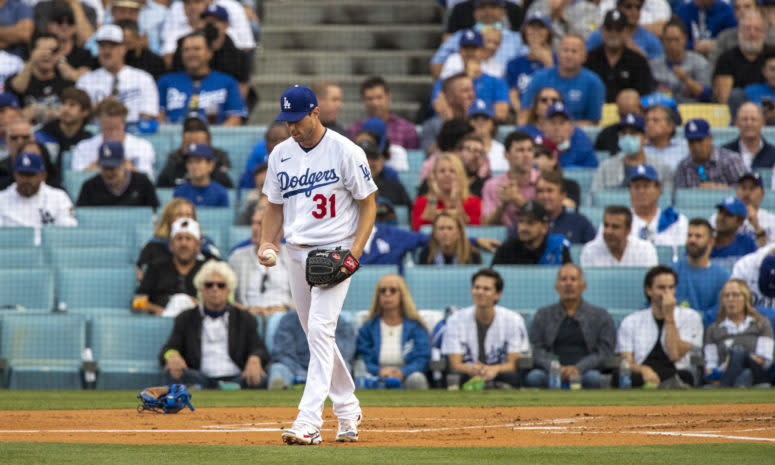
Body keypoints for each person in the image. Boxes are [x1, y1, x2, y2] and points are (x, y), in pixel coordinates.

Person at [258, 85, 377, 445]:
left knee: (322, 330)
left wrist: (355, 251)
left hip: (335, 251)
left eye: (297, 120)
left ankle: (308, 421)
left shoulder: (346, 150)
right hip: (295, 252)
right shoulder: (281, 153)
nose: (292, 127)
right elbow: (274, 205)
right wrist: (267, 241)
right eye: (287, 121)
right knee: (316, 335)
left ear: (315, 112)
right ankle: (347, 408)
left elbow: (369, 205)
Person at [158, 260, 270, 389]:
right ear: (201, 289)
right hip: (199, 377)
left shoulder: (244, 318)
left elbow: (260, 349)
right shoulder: (185, 318)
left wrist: (255, 359)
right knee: (173, 372)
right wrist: (172, 355)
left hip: (237, 377)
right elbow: (168, 349)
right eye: (209, 285)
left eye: (221, 285)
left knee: (259, 376)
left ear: (229, 290)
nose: (215, 289)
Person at [526, 264, 616, 389]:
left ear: (583, 286)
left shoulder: (600, 315)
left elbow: (604, 351)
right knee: (535, 377)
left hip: (586, 372)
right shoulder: (543, 315)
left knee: (593, 378)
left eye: (573, 279)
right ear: (557, 287)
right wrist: (556, 368)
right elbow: (536, 349)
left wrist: (578, 368)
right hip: (551, 372)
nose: (568, 284)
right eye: (563, 280)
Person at [616, 265, 704, 388]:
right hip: (643, 372)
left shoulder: (690, 317)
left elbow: (675, 354)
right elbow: (626, 361)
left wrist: (669, 316)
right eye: (661, 288)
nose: (667, 293)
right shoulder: (630, 321)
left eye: (671, 287)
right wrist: (643, 370)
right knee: (625, 377)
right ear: (648, 290)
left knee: (684, 377)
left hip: (675, 371)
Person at [441, 268, 529, 389]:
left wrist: (494, 369)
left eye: (486, 289)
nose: (480, 292)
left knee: (512, 376)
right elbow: (455, 364)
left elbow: (513, 364)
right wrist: (472, 369)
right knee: (456, 375)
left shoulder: (513, 320)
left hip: (498, 373)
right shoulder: (455, 320)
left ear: (498, 294)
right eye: (476, 287)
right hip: (469, 373)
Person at [356, 274, 431, 390]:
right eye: (382, 291)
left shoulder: (417, 327)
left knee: (417, 378)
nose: (387, 294)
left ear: (402, 295)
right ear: (378, 296)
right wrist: (379, 371)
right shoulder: (368, 328)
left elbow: (422, 359)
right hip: (377, 378)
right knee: (362, 379)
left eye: (393, 290)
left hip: (407, 377)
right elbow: (364, 359)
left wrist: (402, 372)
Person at [157, 31, 246, 125]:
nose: (191, 54)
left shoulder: (228, 82)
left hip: (217, 137)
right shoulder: (166, 82)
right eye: (186, 50)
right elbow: (158, 118)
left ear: (209, 53)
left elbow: (235, 118)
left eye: (197, 49)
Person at [76, 25, 159, 125]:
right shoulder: (85, 80)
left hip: (133, 134)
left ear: (123, 49)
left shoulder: (143, 78)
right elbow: (76, 117)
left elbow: (149, 115)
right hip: (96, 133)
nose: (107, 51)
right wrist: (98, 107)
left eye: (112, 46)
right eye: (102, 46)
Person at [520, 34, 606, 125]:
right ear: (558, 54)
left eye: (574, 51)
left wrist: (562, 128)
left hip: (576, 134)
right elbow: (524, 114)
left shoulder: (594, 83)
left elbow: (593, 122)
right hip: (540, 133)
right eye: (565, 50)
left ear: (584, 56)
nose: (569, 55)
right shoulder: (539, 77)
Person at [430, 0, 527, 80]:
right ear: (475, 13)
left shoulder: (517, 38)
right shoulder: (462, 36)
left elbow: (527, 63)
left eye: (493, 6)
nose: (488, 11)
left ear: (503, 12)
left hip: (505, 88)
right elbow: (437, 63)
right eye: (482, 7)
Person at [704, 279, 774, 387]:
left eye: (736, 295)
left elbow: (765, 359)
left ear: (746, 298)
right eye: (726, 296)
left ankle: (725, 386)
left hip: (757, 374)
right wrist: (723, 369)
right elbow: (710, 365)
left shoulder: (761, 323)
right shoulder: (713, 329)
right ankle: (734, 383)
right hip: (723, 374)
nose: (731, 299)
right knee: (745, 374)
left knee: (739, 354)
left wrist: (735, 360)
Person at [228, 206, 293, 316]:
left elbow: (308, 299)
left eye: (260, 223)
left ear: (279, 228)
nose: (254, 228)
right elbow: (226, 299)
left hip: (285, 316)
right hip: (248, 317)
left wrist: (285, 309)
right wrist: (247, 310)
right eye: (253, 223)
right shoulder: (237, 257)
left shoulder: (293, 256)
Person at [136, 217, 208, 316]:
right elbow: (137, 302)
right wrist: (159, 311)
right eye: (179, 238)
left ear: (198, 245)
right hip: (160, 323)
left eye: (188, 238)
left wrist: (198, 304)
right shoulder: (156, 267)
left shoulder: (207, 270)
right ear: (171, 244)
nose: (183, 243)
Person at [0, 152, 76, 245]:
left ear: (43, 176)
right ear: (15, 175)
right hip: (13, 253)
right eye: (22, 174)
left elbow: (68, 232)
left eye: (30, 175)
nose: (25, 180)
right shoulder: (2, 199)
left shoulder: (59, 197)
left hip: (48, 252)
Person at [268, 309, 355, 390]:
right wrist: (300, 372)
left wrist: (321, 369)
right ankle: (278, 398)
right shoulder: (289, 319)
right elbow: (283, 352)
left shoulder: (340, 322)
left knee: (344, 367)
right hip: (295, 368)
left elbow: (345, 351)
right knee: (278, 369)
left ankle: (339, 399)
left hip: (326, 368)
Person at [136, 198, 221, 280]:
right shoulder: (154, 245)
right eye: (179, 215)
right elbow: (142, 273)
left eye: (189, 215)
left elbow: (219, 270)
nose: (184, 219)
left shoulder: (205, 243)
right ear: (168, 219)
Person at [71, 99, 156, 181]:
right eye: (107, 129)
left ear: (123, 124)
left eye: (116, 128)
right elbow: (76, 180)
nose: (113, 133)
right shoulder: (83, 147)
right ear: (100, 125)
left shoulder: (143, 147)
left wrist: (127, 166)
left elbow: (148, 180)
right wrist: (101, 163)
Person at [585, 9, 655, 103]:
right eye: (609, 28)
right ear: (602, 30)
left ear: (626, 32)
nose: (613, 33)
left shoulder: (638, 62)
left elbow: (645, 96)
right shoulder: (589, 59)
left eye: (619, 29)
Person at [4, 32, 74, 124]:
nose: (47, 55)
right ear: (32, 52)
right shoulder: (19, 79)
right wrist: (32, 61)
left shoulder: (66, 83)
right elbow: (18, 88)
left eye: (53, 50)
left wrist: (40, 112)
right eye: (42, 50)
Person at [591, 113, 672, 191]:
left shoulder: (661, 167)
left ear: (645, 137)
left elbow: (667, 199)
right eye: (623, 133)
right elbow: (594, 197)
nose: (627, 137)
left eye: (633, 133)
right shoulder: (606, 167)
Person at [481, 130, 537, 230]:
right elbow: (486, 226)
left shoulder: (542, 181)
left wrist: (517, 201)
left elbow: (546, 220)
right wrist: (503, 205)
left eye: (530, 150)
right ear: (506, 155)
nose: (526, 155)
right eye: (520, 150)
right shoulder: (492, 185)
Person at [75, 140, 159, 207]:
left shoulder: (142, 183)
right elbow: (81, 215)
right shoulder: (89, 187)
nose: (109, 173)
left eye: (112, 168)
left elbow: (154, 212)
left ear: (123, 164)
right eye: (105, 168)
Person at [672, 218, 730, 313]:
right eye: (689, 235)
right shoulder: (671, 271)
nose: (692, 240)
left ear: (711, 242)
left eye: (698, 236)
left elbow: (722, 312)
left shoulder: (722, 276)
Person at [412, 152, 482, 232]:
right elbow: (420, 230)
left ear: (461, 175)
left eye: (452, 171)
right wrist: (433, 196)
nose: (447, 174)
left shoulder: (474, 202)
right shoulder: (421, 202)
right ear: (434, 176)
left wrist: (457, 203)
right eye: (442, 171)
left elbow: (473, 229)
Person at [712, 12, 769, 109]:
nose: (752, 34)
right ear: (739, 32)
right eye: (747, 29)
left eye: (757, 29)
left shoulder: (772, 55)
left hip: (770, 108)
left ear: (764, 33)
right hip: (738, 111)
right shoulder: (726, 58)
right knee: (736, 94)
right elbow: (723, 99)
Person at [157, 116, 233, 188]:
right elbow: (162, 185)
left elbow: (228, 186)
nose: (194, 149)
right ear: (183, 141)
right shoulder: (174, 158)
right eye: (189, 144)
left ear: (208, 141)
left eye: (199, 144)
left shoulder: (219, 156)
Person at [347, 76, 419, 150]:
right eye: (369, 99)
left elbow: (414, 159)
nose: (375, 103)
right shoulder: (354, 129)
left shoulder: (406, 129)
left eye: (379, 97)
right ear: (363, 99)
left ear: (389, 97)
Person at [650, 18, 712, 104]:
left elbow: (708, 96)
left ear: (685, 39)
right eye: (668, 40)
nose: (672, 45)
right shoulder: (654, 66)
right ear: (662, 40)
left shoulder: (699, 62)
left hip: (692, 110)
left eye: (676, 40)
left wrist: (686, 80)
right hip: (663, 110)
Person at [492, 200, 571, 265]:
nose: (523, 228)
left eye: (530, 223)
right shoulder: (506, 250)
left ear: (544, 227)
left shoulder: (558, 248)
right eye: (520, 221)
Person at [34, 86, 93, 173]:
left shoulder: (88, 140)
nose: (66, 108)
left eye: (72, 105)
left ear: (85, 112)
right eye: (63, 103)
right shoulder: (44, 134)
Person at [674, 118, 745, 189]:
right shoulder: (684, 166)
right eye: (691, 141)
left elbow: (746, 189)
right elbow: (678, 195)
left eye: (699, 140)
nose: (695, 146)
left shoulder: (730, 160)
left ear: (710, 139)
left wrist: (719, 188)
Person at [626, 164, 687, 246]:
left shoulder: (676, 220)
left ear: (659, 189)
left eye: (646, 186)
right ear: (630, 191)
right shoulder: (618, 222)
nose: (641, 191)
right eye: (636, 187)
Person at [506, 14, 555, 113]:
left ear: (548, 33)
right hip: (522, 114)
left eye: (541, 27)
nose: (535, 31)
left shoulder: (558, 60)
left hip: (553, 113)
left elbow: (559, 89)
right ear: (525, 31)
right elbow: (512, 93)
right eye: (531, 27)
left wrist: (548, 63)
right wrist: (523, 114)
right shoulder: (514, 63)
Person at [710, 172, 775, 248]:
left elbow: (771, 253)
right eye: (743, 188)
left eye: (752, 188)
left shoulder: (772, 220)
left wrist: (757, 226)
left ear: (762, 194)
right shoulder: (717, 218)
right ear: (737, 191)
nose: (747, 193)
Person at [580, 205, 658, 267]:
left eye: (615, 227)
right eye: (606, 225)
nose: (608, 231)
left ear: (628, 230)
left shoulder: (645, 250)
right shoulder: (590, 250)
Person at [587, 1, 665, 59]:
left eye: (638, 7)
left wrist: (634, 49)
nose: (634, 11)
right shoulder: (600, 35)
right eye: (628, 6)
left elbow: (657, 68)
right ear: (618, 7)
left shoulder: (651, 39)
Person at [536, 171, 596, 244]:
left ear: (563, 195)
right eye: (540, 191)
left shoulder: (580, 222)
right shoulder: (528, 223)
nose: (545, 196)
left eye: (550, 191)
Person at [420, 74, 475, 153]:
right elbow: (430, 155)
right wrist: (449, 125)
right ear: (450, 97)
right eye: (465, 91)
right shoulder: (432, 126)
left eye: (472, 89)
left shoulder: (481, 121)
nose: (472, 95)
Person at [542, 102, 598, 168]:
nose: (556, 128)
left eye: (561, 123)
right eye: (553, 122)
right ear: (544, 127)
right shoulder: (537, 146)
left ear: (571, 128)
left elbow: (592, 172)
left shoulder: (583, 146)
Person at [172, 143, 229, 207]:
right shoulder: (179, 192)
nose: (193, 166)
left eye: (198, 161)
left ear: (211, 165)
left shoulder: (220, 193)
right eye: (190, 162)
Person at [723, 103, 775, 171]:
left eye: (753, 119)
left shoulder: (773, 154)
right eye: (744, 119)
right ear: (736, 123)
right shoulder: (724, 153)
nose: (749, 123)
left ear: (762, 123)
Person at [593, 88, 642, 157]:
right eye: (624, 116)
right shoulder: (606, 134)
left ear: (640, 110)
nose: (629, 120)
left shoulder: (649, 131)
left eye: (633, 114)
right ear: (618, 111)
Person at [361, 140, 410, 208]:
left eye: (373, 157)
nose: (368, 162)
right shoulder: (345, 187)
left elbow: (409, 211)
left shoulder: (395, 187)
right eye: (363, 158)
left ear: (382, 162)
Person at [710, 196, 758, 263]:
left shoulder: (747, 243)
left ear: (740, 222)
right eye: (720, 212)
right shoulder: (706, 242)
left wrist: (757, 226)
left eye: (728, 214)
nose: (722, 217)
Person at [642, 103, 688, 172]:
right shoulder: (640, 148)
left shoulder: (685, 147)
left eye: (655, 120)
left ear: (670, 126)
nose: (649, 124)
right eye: (647, 121)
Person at [468, 99, 505, 173]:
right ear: (469, 122)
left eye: (485, 118)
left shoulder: (502, 150)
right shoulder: (464, 149)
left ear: (493, 123)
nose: (480, 122)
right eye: (476, 118)